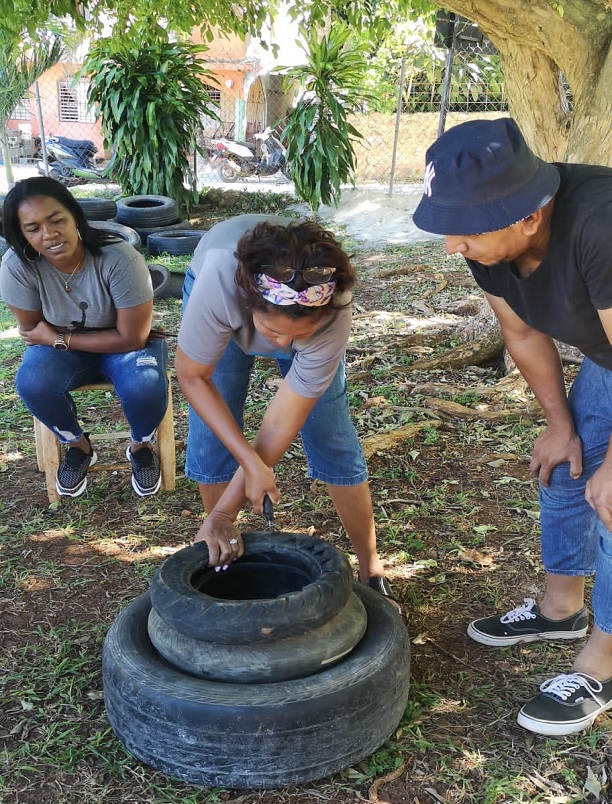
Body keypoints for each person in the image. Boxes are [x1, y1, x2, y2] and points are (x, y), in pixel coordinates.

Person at [412, 116, 612, 736]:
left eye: (462, 229)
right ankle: (560, 610)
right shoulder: (489, 241)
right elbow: (521, 332)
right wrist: (559, 424)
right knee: (566, 467)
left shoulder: (601, 227)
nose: (450, 246)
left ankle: (603, 663)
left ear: (530, 215)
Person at [175, 214, 399, 609]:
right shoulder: (222, 285)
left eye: (298, 337)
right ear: (249, 306)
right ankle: (222, 546)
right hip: (220, 295)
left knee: (332, 435)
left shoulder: (332, 312)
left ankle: (371, 567)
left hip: (297, 320)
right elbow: (193, 376)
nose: (284, 347)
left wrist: (257, 464)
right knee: (212, 437)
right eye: (274, 333)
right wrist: (243, 473)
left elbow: (281, 419)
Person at [0, 176, 168, 498]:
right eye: (32, 228)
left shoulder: (119, 257)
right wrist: (54, 341)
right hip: (65, 350)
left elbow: (133, 338)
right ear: (21, 234)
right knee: (33, 382)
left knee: (145, 383)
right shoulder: (16, 267)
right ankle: (78, 445)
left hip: (120, 347)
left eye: (56, 220)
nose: (48, 235)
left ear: (75, 215)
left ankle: (140, 446)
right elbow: (32, 330)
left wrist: (60, 340)